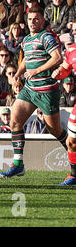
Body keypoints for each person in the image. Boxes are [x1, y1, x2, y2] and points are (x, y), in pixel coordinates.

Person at [0, 7, 68, 179]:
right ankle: (18, 164)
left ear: (42, 21)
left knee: (55, 130)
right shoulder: (27, 39)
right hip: (30, 89)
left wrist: (36, 71)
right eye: (30, 19)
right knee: (15, 121)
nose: (32, 22)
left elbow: (57, 57)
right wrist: (17, 73)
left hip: (46, 90)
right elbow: (27, 61)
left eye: (36, 19)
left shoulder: (47, 37)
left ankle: (74, 157)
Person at [51, 41, 76, 185]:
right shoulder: (71, 50)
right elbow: (66, 68)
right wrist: (58, 73)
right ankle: (74, 175)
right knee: (71, 141)